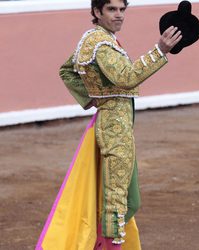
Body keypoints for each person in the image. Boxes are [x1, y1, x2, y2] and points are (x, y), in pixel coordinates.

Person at [36, 0, 182, 249]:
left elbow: (67, 71)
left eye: (122, 10)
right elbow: (126, 78)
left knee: (123, 195)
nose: (119, 15)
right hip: (115, 126)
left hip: (116, 123)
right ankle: (109, 244)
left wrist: (94, 95)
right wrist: (160, 50)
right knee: (117, 198)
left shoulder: (95, 39)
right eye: (111, 9)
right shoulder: (101, 44)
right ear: (96, 12)